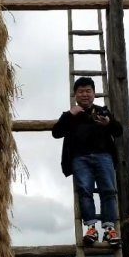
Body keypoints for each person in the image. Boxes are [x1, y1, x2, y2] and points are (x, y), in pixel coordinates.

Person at [51, 76, 123, 246]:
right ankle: (91, 229)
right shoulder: (70, 115)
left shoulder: (102, 112)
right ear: (75, 94)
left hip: (103, 156)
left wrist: (108, 123)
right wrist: (70, 114)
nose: (85, 94)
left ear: (94, 94)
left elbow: (119, 131)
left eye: (88, 91)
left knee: (109, 191)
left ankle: (109, 231)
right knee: (85, 192)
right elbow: (56, 133)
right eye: (81, 91)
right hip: (79, 158)